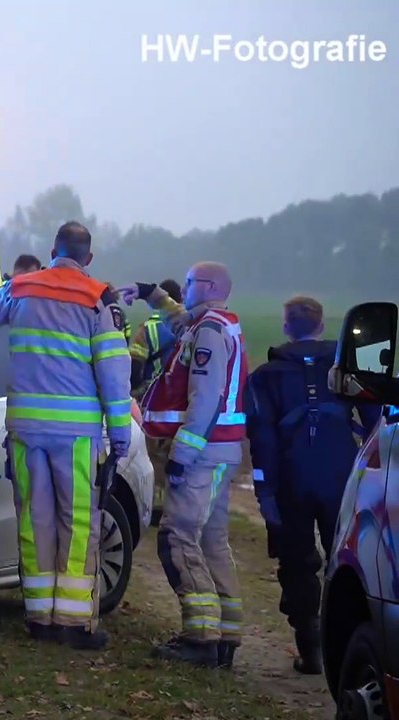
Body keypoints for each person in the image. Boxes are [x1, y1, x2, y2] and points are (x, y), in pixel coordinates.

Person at [0, 222, 132, 651]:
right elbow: (114, 372)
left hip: (26, 430)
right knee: (77, 523)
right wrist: (119, 435)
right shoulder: (99, 298)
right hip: (76, 435)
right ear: (88, 257)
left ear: (52, 250)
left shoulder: (23, 288)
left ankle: (38, 617)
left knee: (35, 519)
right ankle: (71, 622)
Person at [245, 296, 383, 675]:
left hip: (290, 481)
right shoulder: (348, 367)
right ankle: (351, 648)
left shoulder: (264, 376)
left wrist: (265, 492)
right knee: (347, 562)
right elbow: (376, 423)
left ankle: (310, 648)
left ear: (286, 326)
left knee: (297, 564)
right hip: (341, 477)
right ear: (322, 326)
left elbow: (262, 440)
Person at [121, 263, 247, 669]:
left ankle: (201, 636)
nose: (185, 288)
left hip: (202, 453)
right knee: (211, 541)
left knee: (177, 536)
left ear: (207, 287)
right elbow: (178, 317)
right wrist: (150, 292)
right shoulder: (213, 323)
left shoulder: (209, 332)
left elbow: (205, 399)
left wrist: (182, 455)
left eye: (190, 282)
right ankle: (225, 632)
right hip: (219, 452)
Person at [128, 278, 183, 523]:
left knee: (153, 458)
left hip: (153, 402)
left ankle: (156, 508)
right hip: (183, 403)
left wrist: (135, 390)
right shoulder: (187, 327)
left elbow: (135, 369)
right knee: (178, 457)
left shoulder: (147, 330)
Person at [129, 279, 184, 398]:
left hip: (154, 393)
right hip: (182, 393)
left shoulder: (147, 329)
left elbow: (135, 365)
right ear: (181, 299)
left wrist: (135, 391)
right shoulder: (192, 326)